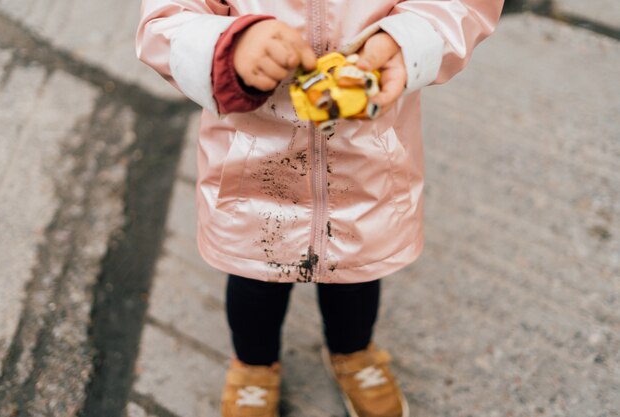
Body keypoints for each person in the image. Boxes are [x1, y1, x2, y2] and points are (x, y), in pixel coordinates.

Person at [136, 1, 503, 416]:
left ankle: (352, 352)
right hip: (254, 167)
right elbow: (163, 22)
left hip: (364, 161)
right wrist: (228, 47)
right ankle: (254, 366)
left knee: (356, 276)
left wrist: (407, 40)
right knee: (255, 282)